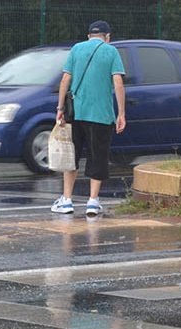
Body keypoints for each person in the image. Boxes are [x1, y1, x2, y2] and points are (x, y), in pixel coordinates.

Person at [51, 20, 126, 220]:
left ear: (88, 36)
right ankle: (92, 201)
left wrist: (60, 108)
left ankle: (66, 200)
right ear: (107, 36)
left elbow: (65, 79)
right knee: (98, 155)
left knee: (71, 155)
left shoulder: (77, 49)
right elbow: (118, 82)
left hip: (76, 113)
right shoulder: (111, 51)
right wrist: (121, 113)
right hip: (102, 115)